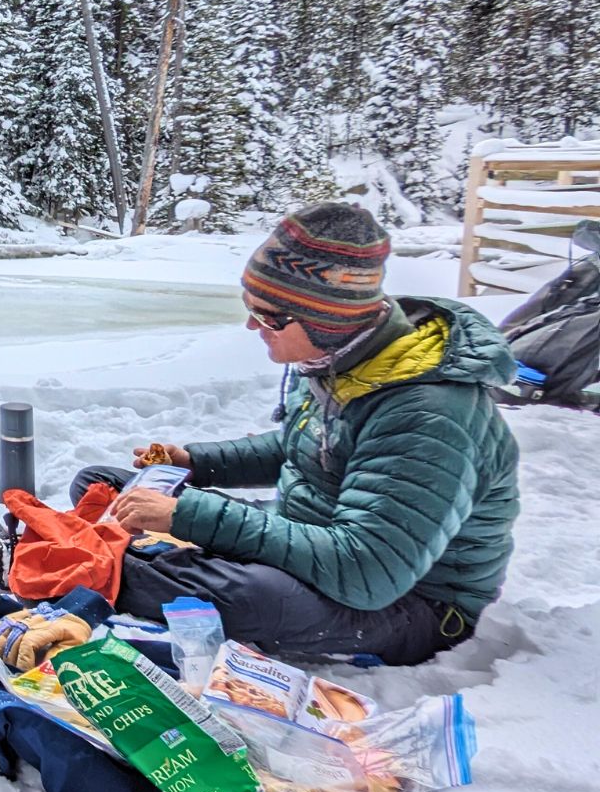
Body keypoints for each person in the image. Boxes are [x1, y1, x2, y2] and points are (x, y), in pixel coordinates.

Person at [72, 203, 519, 665]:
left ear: (327, 318)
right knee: (101, 485)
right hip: (315, 538)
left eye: (268, 317)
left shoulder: (430, 414)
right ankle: (112, 561)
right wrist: (193, 462)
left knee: (250, 597)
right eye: (250, 309)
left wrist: (189, 516)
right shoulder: (342, 361)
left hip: (411, 601)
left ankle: (82, 561)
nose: (251, 326)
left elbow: (367, 569)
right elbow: (296, 447)